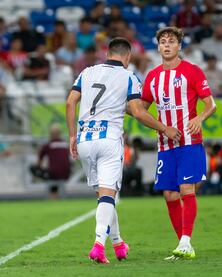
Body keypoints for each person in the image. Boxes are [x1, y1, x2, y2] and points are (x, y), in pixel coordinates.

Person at [66, 37, 181, 264]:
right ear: (127, 57)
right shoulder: (129, 77)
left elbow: (70, 103)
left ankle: (118, 244)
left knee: (104, 197)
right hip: (109, 139)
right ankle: (99, 246)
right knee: (108, 196)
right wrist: (164, 128)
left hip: (85, 139)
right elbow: (138, 112)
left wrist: (72, 135)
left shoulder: (87, 72)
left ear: (108, 53)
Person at [141, 27, 216, 260]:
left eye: (171, 41)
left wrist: (199, 118)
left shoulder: (191, 71)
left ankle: (186, 241)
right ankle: (182, 245)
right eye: (163, 41)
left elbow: (210, 104)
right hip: (165, 145)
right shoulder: (152, 77)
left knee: (186, 190)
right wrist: (158, 125)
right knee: (170, 195)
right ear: (158, 46)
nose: (166, 45)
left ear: (179, 46)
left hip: (190, 141)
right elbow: (142, 109)